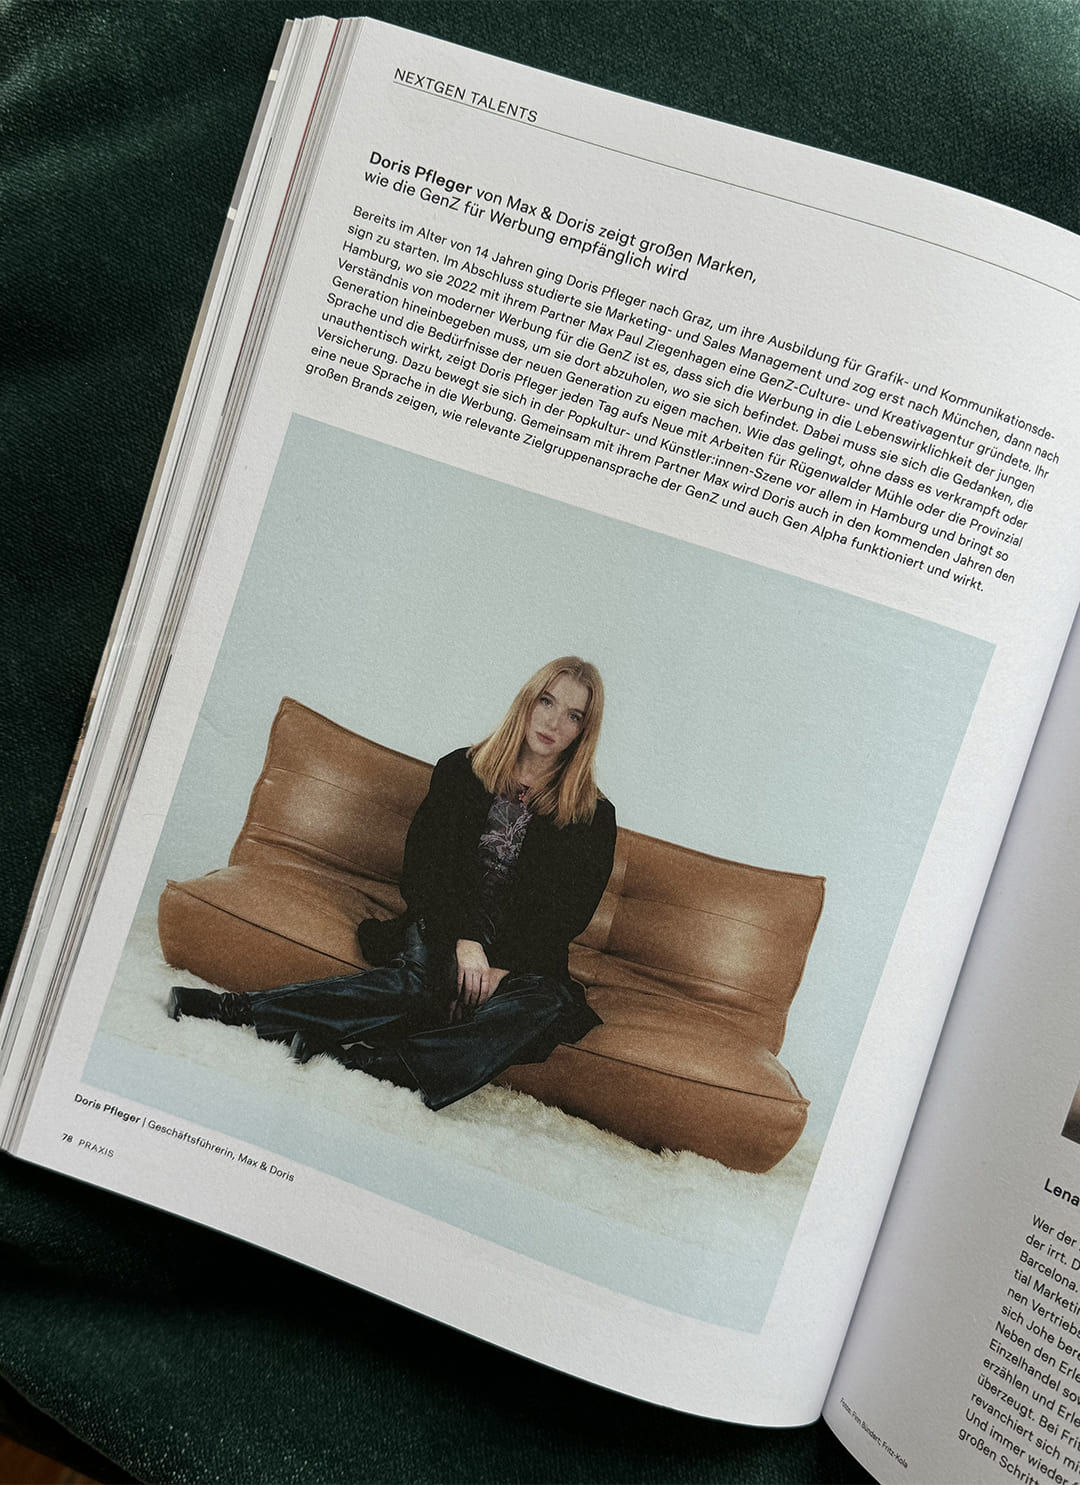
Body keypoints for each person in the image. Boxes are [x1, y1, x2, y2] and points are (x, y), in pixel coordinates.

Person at [167, 658, 617, 1110]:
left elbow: (565, 917)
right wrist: (465, 942)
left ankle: (369, 1062)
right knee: (422, 986)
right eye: (547, 702)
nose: (554, 722)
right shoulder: (461, 770)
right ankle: (235, 1009)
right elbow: (424, 872)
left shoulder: (593, 817)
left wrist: (503, 972)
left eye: (573, 716)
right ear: (527, 702)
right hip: (442, 926)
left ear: (584, 731)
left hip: (525, 963)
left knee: (541, 1006)